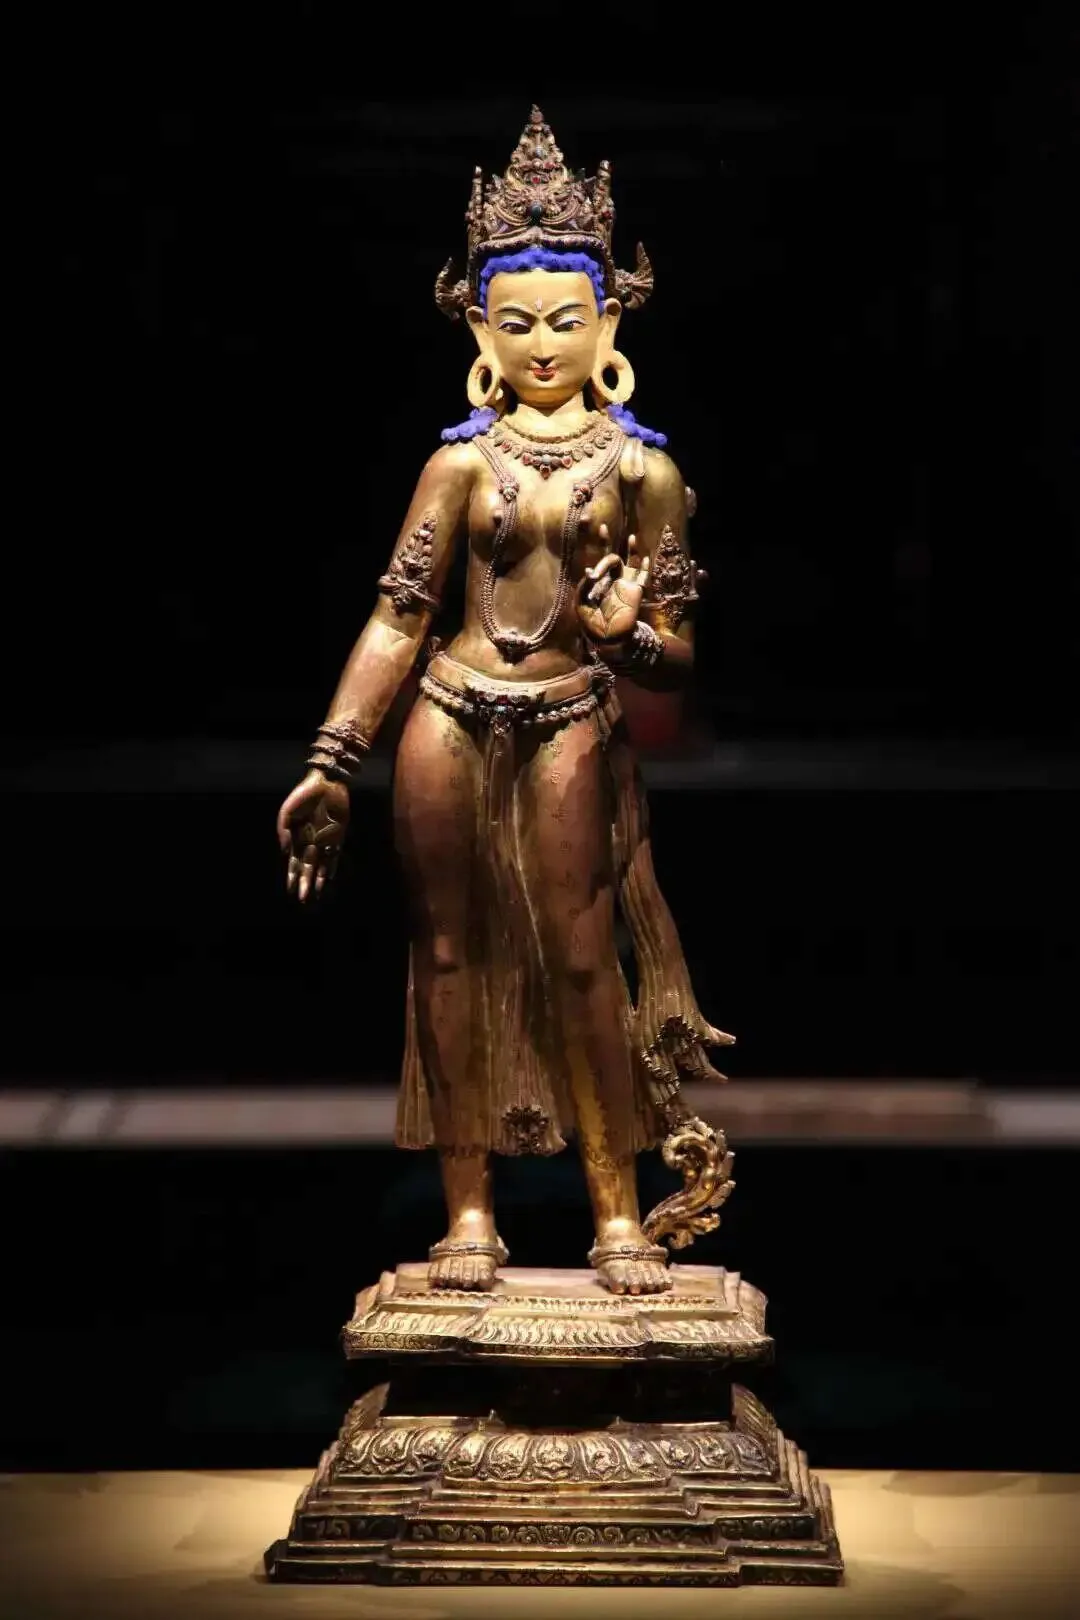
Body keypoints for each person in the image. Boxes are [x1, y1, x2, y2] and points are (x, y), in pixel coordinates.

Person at [277, 108, 730, 1297]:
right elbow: (398, 614)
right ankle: (469, 1212)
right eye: (516, 322)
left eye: (566, 321)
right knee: (446, 959)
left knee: (584, 962)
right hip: (447, 714)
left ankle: (616, 1214)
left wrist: (631, 636)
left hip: (571, 718)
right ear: (480, 328)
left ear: (610, 325)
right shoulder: (459, 464)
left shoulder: (644, 472)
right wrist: (333, 759)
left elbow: (678, 656)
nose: (541, 344)